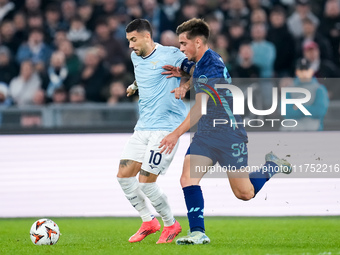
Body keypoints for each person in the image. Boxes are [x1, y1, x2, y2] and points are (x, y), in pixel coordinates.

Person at [159, 18, 292, 245]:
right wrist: (183, 79)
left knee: (244, 194)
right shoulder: (202, 61)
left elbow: (199, 107)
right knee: (187, 178)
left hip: (229, 134)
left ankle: (273, 165)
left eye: (183, 43)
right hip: (206, 135)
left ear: (198, 42)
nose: (181, 48)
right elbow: (192, 70)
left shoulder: (211, 65)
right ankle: (198, 232)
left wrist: (175, 134)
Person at [116, 19, 187, 244]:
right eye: (128, 41)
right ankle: (149, 221)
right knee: (124, 176)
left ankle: (171, 224)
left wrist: (185, 85)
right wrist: (135, 85)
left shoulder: (171, 54)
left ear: (147, 37)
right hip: (143, 126)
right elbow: (146, 73)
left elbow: (200, 70)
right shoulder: (135, 57)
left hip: (166, 127)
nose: (130, 46)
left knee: (146, 181)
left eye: (133, 40)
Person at [280, 58, 329, 131]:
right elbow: (286, 113)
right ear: (296, 72)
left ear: (312, 71)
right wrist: (308, 109)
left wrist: (299, 106)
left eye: (306, 70)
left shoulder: (319, 89)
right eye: (301, 70)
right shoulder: (288, 89)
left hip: (313, 129)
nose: (304, 73)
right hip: (292, 129)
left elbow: (320, 111)